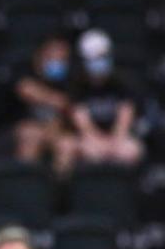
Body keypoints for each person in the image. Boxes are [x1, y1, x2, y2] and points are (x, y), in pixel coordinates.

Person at [69, 28, 144, 167]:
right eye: (94, 58)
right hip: (90, 137)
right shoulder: (77, 85)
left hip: (117, 136)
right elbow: (83, 124)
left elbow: (125, 117)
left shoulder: (122, 82)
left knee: (131, 150)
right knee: (90, 151)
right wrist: (98, 141)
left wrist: (114, 141)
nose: (99, 62)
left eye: (102, 57)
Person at [10, 35, 77, 176]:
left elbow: (71, 111)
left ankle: (58, 193)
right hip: (22, 129)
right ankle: (26, 189)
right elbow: (25, 90)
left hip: (55, 130)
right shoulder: (24, 70)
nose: (57, 62)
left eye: (62, 59)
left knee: (67, 144)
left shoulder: (69, 80)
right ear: (40, 56)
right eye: (53, 57)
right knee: (30, 136)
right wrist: (57, 100)